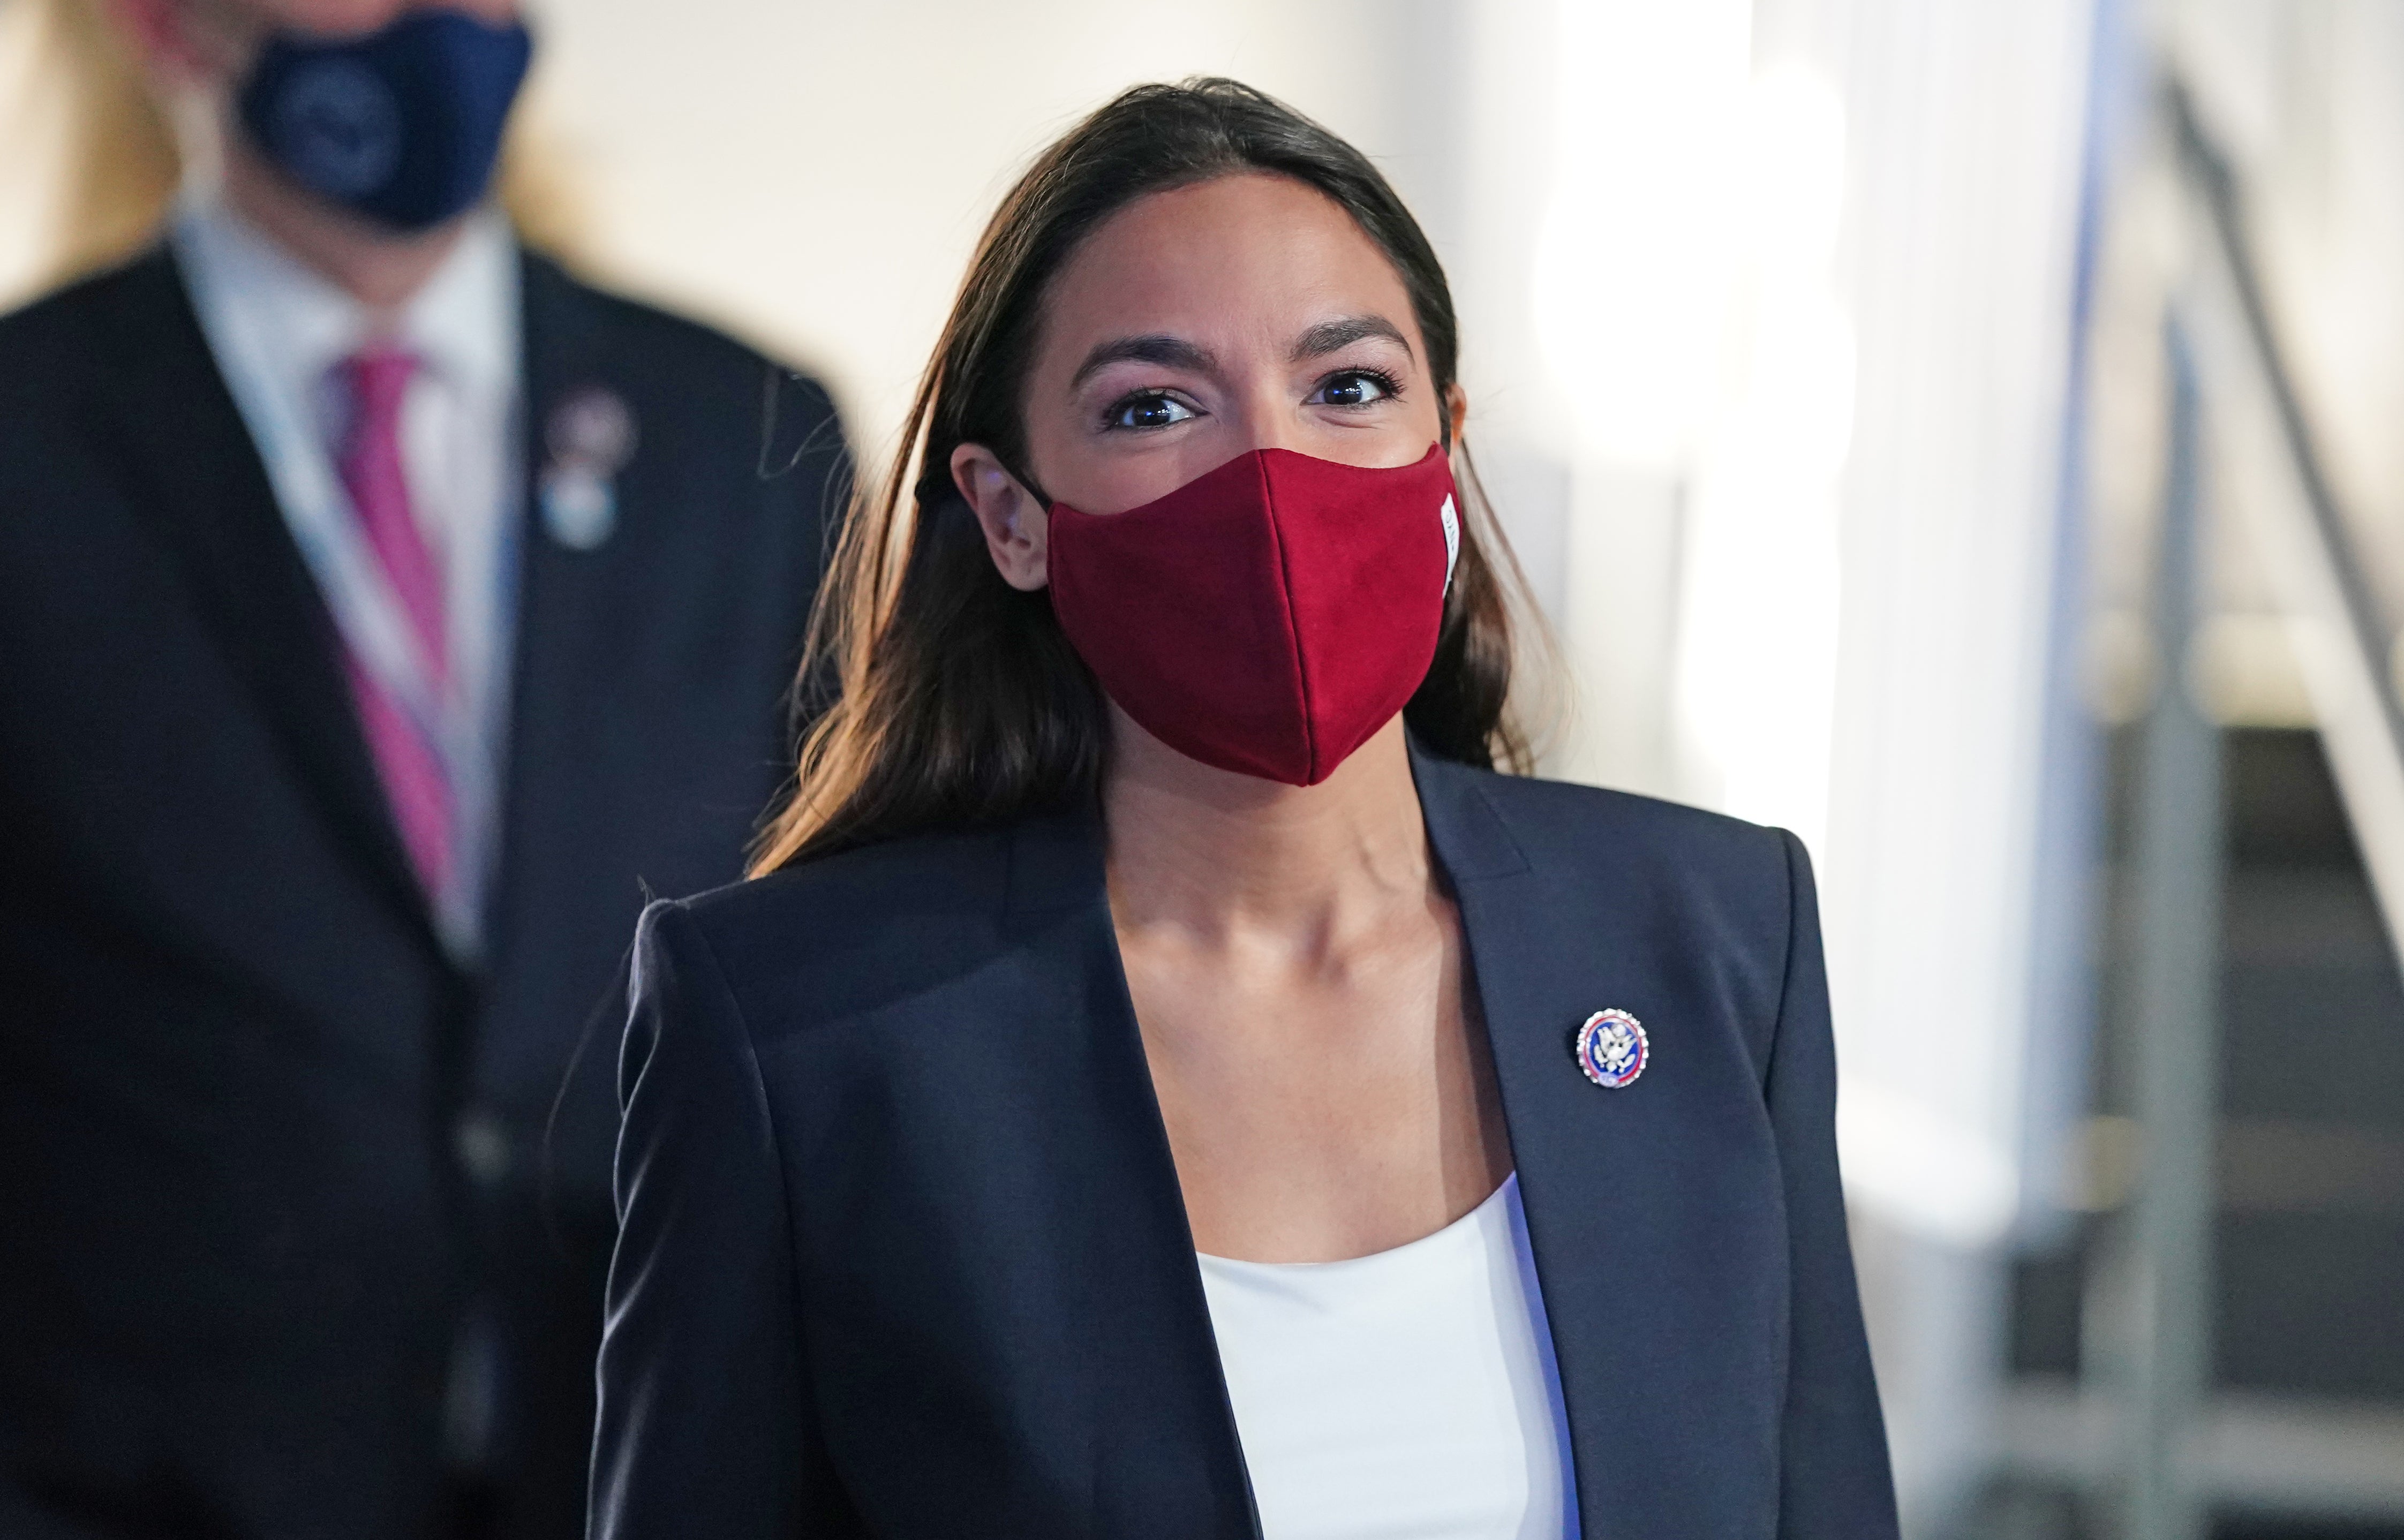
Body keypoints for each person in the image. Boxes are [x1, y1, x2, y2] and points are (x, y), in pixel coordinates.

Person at [589, 78, 1896, 1540]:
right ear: (1011, 515)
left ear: (1444, 453)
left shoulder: (1713, 936)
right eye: (1154, 405)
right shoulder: (801, 1031)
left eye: (1346, 387)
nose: (1270, 475)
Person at [0, 0, 845, 1535]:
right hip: (142, 1477)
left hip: (641, 1464)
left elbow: (842, 980)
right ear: (164, 24)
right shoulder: (32, 434)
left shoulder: (751, 438)